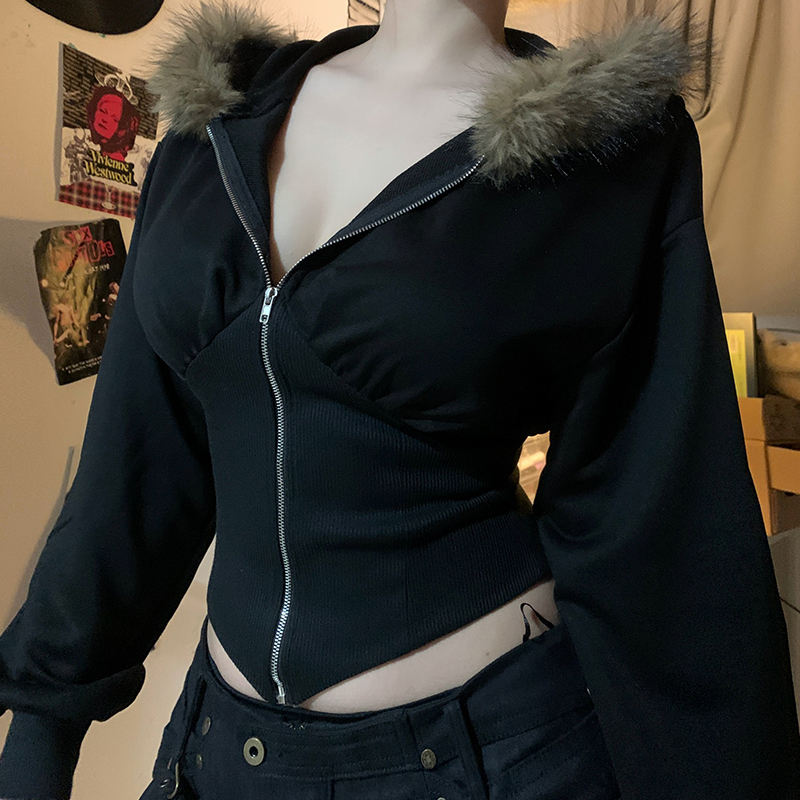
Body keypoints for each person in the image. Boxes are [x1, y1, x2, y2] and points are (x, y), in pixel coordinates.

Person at [2, 1, 799, 799]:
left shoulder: (606, 151)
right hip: (215, 754)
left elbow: (663, 518)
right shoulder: (213, 117)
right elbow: (137, 458)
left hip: (489, 755)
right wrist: (42, 724)